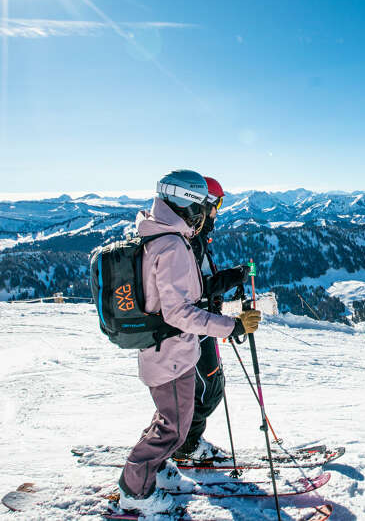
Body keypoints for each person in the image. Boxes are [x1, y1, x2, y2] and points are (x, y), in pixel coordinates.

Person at [118, 169, 262, 516]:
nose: (208, 215)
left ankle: (159, 470)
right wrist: (231, 326)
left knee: (171, 419)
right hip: (169, 351)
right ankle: (135, 490)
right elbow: (179, 312)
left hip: (171, 351)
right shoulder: (172, 245)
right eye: (207, 206)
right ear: (192, 205)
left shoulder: (167, 236)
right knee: (175, 426)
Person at [173, 176, 250, 463]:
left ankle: (182, 440)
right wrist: (231, 278)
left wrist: (231, 277)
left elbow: (202, 282)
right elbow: (196, 290)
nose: (218, 211)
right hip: (196, 325)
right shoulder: (190, 241)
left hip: (201, 322)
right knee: (209, 389)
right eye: (217, 204)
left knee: (198, 388)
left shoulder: (197, 237)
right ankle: (187, 446)